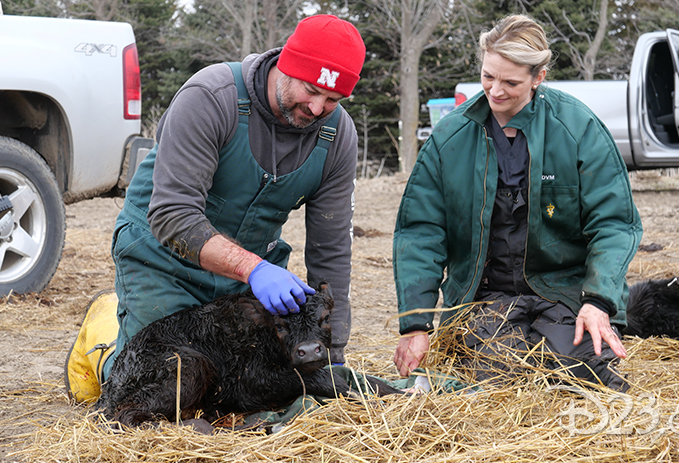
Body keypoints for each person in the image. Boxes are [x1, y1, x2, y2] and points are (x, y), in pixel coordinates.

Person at [102, 14, 366, 380]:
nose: (318, 108)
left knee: (253, 384)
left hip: (250, 278)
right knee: (154, 379)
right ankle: (102, 351)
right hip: (162, 263)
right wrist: (255, 269)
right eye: (311, 89)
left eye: (333, 100)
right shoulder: (212, 97)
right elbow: (173, 214)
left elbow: (331, 247)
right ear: (286, 65)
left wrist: (333, 349)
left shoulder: (338, 136)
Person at [392, 14, 642, 390]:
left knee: (578, 375)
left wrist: (599, 301)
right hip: (486, 294)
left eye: (510, 82)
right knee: (497, 382)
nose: (495, 91)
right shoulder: (449, 137)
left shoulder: (579, 129)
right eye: (487, 76)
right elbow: (421, 231)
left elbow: (614, 224)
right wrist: (416, 322)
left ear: (538, 77)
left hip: (562, 290)